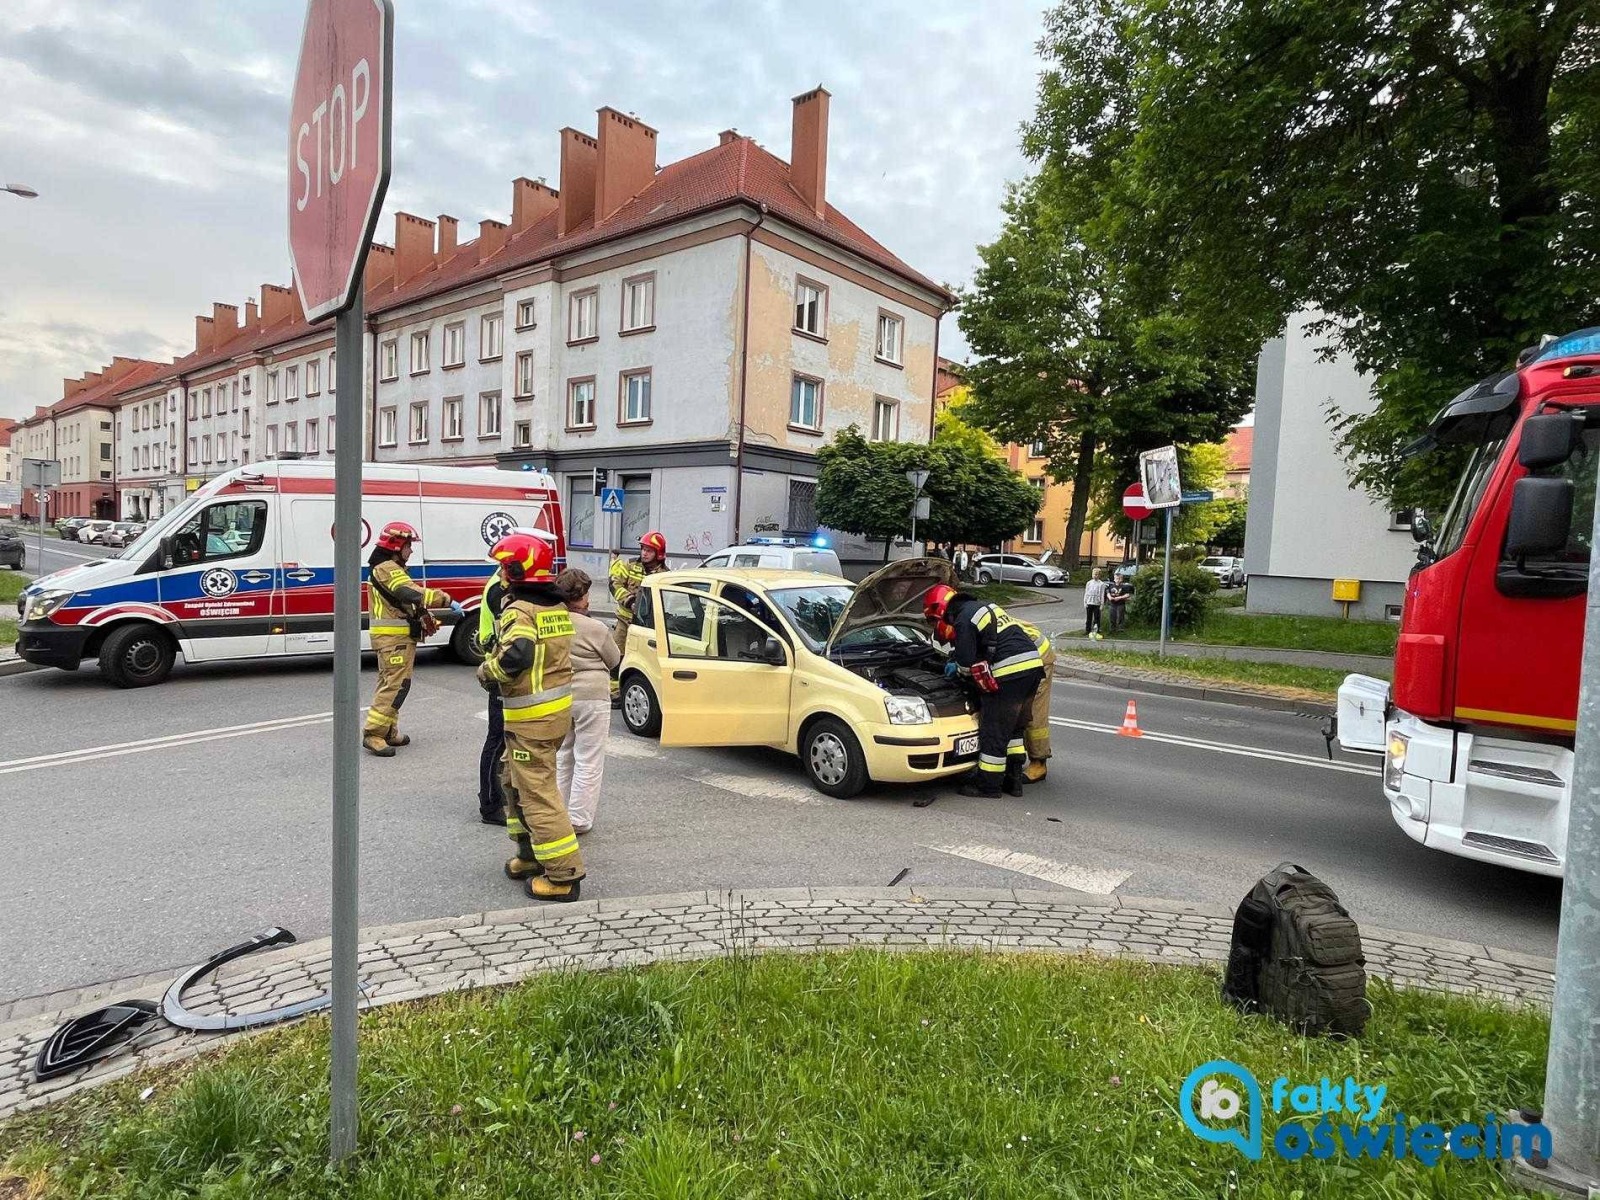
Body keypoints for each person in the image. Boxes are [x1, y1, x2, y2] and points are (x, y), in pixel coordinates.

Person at [477, 532, 584, 902]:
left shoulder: (521, 610)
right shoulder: (554, 607)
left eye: (503, 568)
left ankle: (564, 875)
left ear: (516, 571)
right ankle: (530, 856)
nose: (500, 574)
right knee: (513, 782)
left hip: (532, 721)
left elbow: (517, 654)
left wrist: (487, 671)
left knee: (538, 795)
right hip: (547, 717)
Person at [925, 583, 1045, 798]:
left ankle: (989, 785)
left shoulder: (962, 619)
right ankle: (1013, 780)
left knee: (994, 730)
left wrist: (955, 670)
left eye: (934, 620)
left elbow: (965, 663)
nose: (938, 624)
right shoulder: (983, 607)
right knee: (1014, 729)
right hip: (1032, 668)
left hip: (1010, 672)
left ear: (940, 609)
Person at [362, 521, 463, 757]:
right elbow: (408, 592)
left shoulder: (386, 567)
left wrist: (424, 616)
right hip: (393, 639)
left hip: (396, 639)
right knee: (395, 686)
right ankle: (374, 734)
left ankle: (388, 731)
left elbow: (403, 601)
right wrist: (446, 599)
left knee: (394, 684)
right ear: (396, 546)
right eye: (409, 545)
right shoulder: (387, 568)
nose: (411, 550)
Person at [553, 568, 620, 834]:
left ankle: (557, 813)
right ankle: (579, 818)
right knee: (588, 759)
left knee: (563, 757)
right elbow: (614, 659)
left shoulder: (550, 623)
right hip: (592, 698)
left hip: (560, 694)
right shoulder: (596, 628)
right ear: (580, 597)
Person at [607, 530, 668, 703]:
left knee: (645, 661)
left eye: (649, 550)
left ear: (658, 553)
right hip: (624, 621)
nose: (644, 553)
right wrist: (630, 601)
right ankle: (615, 693)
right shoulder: (630, 565)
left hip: (647, 627)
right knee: (616, 656)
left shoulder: (664, 574)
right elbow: (614, 583)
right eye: (643, 549)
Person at [1016, 619, 1056, 783]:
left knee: (1033, 712)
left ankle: (1039, 763)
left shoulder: (968, 625)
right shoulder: (975, 615)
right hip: (1029, 651)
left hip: (1038, 658)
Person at [1083, 567, 1108, 637]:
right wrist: (1085, 602)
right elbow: (1086, 593)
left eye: (1097, 574)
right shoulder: (1089, 583)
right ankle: (1087, 630)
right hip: (1089, 602)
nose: (1095, 576)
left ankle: (1096, 630)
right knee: (1089, 617)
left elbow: (1102, 595)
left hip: (1097, 603)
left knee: (1097, 618)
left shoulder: (1101, 584)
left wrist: (1102, 604)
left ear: (1099, 575)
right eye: (1094, 574)